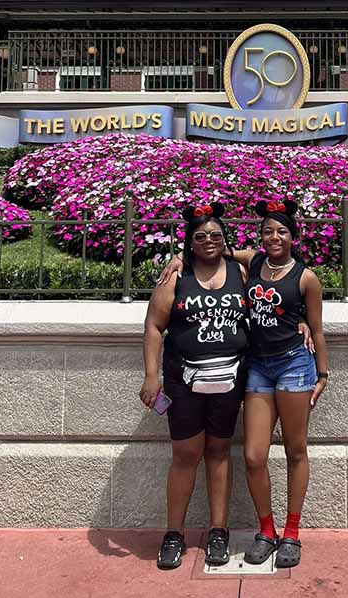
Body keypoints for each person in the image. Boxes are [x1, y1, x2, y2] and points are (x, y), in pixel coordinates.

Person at [159, 198, 328, 568]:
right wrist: (178, 260)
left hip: (294, 366)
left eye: (282, 231)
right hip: (256, 367)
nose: (274, 237)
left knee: (296, 450)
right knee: (253, 455)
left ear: (294, 236)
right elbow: (216, 249)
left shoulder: (305, 276)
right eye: (268, 231)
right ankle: (266, 530)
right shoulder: (251, 263)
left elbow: (315, 326)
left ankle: (292, 534)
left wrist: (323, 372)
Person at [140, 202, 249, 570]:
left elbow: (274, 260)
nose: (208, 241)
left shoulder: (241, 271)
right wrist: (151, 376)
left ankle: (219, 530)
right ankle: (174, 533)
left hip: (230, 379)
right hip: (182, 380)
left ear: (226, 240)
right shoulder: (177, 276)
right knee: (185, 455)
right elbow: (154, 326)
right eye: (199, 236)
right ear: (189, 241)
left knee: (219, 452)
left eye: (216, 235)